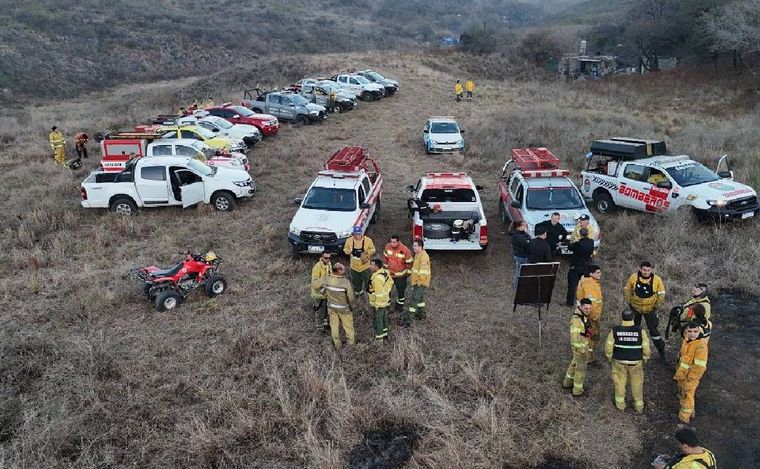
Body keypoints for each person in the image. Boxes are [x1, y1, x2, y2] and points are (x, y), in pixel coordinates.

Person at [605, 308, 650, 413]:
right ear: (633, 318)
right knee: (637, 384)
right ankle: (638, 407)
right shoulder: (640, 331)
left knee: (620, 383)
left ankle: (620, 406)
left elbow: (609, 345)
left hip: (619, 361)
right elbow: (646, 347)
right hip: (636, 362)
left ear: (622, 317)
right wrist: (646, 357)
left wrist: (609, 356)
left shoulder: (615, 330)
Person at [624, 261, 667, 358]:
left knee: (654, 331)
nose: (646, 272)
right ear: (640, 269)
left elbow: (661, 294)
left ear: (651, 270)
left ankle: (661, 352)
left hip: (650, 309)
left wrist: (655, 306)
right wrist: (630, 303)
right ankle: (633, 351)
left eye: (648, 270)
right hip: (635, 309)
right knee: (633, 330)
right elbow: (627, 289)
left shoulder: (657, 280)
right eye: (644, 270)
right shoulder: (633, 277)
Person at [674, 321, 709, 424]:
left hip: (689, 378)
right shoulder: (687, 341)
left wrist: (690, 378)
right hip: (683, 375)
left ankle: (684, 418)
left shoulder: (701, 346)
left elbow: (699, 366)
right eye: (690, 331)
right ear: (686, 332)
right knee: (685, 395)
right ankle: (691, 412)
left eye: (695, 331)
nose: (692, 334)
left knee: (688, 396)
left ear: (699, 331)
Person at [320, 263, 356, 350]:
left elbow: (322, 291)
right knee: (348, 326)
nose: (345, 270)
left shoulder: (327, 279)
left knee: (334, 326)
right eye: (343, 269)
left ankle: (337, 345)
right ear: (339, 271)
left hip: (332, 308)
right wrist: (352, 306)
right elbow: (350, 297)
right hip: (344, 309)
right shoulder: (345, 282)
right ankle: (350, 344)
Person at [563, 298, 593, 396]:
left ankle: (567, 383)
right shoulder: (577, 320)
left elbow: (581, 333)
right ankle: (577, 390)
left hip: (580, 347)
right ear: (580, 307)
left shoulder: (582, 316)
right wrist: (582, 350)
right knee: (581, 370)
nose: (588, 310)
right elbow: (575, 337)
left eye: (589, 308)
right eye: (586, 308)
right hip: (580, 349)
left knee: (574, 364)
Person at [652, 428, 717, 469]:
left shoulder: (688, 466)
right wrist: (671, 459)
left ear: (685, 446)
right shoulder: (708, 453)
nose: (679, 447)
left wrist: (660, 467)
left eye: (679, 445)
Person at [576, 264, 603, 359]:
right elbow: (592, 301)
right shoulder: (589, 284)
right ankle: (588, 357)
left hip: (587, 314)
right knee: (591, 336)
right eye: (598, 272)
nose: (600, 274)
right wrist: (594, 316)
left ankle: (588, 356)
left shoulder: (588, 281)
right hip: (591, 315)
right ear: (591, 273)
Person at [382, 235, 414, 312]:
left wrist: (408, 272)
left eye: (394, 242)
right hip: (390, 275)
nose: (392, 244)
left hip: (401, 276)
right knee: (386, 291)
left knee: (401, 292)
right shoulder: (387, 247)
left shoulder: (405, 250)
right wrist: (385, 269)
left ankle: (399, 307)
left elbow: (409, 262)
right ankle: (386, 306)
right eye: (391, 242)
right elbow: (385, 258)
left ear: (398, 242)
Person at [404, 239, 430, 326]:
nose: (413, 247)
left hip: (420, 282)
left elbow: (423, 273)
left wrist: (418, 283)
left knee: (414, 300)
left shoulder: (423, 257)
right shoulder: (418, 254)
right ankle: (422, 315)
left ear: (420, 246)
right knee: (420, 298)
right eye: (413, 245)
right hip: (416, 282)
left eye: (415, 246)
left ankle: (409, 320)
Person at [565, 228, 595, 307]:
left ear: (580, 234)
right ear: (587, 233)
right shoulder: (591, 242)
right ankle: (584, 301)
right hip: (586, 266)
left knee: (572, 285)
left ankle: (570, 302)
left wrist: (568, 241)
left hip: (576, 267)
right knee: (584, 285)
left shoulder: (578, 244)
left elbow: (569, 247)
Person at [342, 226, 375, 296]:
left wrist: (366, 252)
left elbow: (373, 249)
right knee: (356, 282)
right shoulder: (349, 240)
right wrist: (350, 251)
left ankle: (370, 294)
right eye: (356, 234)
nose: (358, 235)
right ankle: (358, 293)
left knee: (368, 281)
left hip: (365, 266)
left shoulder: (368, 240)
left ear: (361, 233)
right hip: (354, 267)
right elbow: (345, 249)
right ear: (353, 234)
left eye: (359, 234)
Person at [369, 259, 393, 341]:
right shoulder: (385, 272)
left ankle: (379, 339)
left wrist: (377, 305)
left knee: (378, 319)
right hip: (385, 300)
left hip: (379, 303)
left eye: (371, 265)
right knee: (383, 317)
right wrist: (386, 293)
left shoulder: (378, 278)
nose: (370, 266)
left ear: (376, 266)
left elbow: (379, 293)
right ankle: (385, 333)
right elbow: (391, 283)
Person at [310, 252, 332, 331]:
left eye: (329, 258)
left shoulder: (329, 265)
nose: (328, 260)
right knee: (320, 311)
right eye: (326, 258)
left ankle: (325, 324)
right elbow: (315, 282)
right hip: (318, 293)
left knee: (326, 310)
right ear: (321, 257)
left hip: (326, 292)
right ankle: (319, 328)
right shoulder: (317, 267)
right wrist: (324, 284)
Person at [509, 220, 531, 286]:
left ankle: (518, 283)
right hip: (521, 255)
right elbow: (526, 243)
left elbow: (528, 240)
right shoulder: (517, 235)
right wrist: (527, 236)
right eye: (523, 225)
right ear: (518, 227)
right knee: (520, 270)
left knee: (520, 269)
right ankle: (517, 284)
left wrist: (526, 235)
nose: (525, 227)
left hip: (520, 254)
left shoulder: (521, 233)